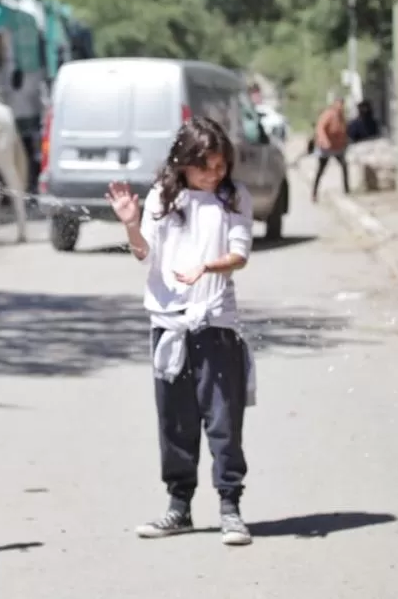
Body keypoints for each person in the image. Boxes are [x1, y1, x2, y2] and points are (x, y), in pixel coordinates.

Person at [106, 116, 256, 547]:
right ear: (184, 162)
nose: (215, 174)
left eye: (221, 165)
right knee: (175, 421)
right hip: (168, 324)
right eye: (205, 166)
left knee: (223, 418)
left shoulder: (233, 198)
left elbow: (240, 255)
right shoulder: (160, 198)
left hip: (215, 324)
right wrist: (131, 223)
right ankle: (179, 507)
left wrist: (206, 267)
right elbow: (144, 257)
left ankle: (231, 508)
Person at [312, 97, 350, 202]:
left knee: (344, 165)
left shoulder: (341, 117)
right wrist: (325, 141)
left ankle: (347, 189)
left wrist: (345, 143)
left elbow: (343, 131)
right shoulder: (328, 115)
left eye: (342, 105)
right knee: (321, 169)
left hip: (337, 147)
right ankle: (314, 193)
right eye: (339, 104)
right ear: (334, 104)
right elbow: (320, 129)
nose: (340, 107)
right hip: (326, 147)